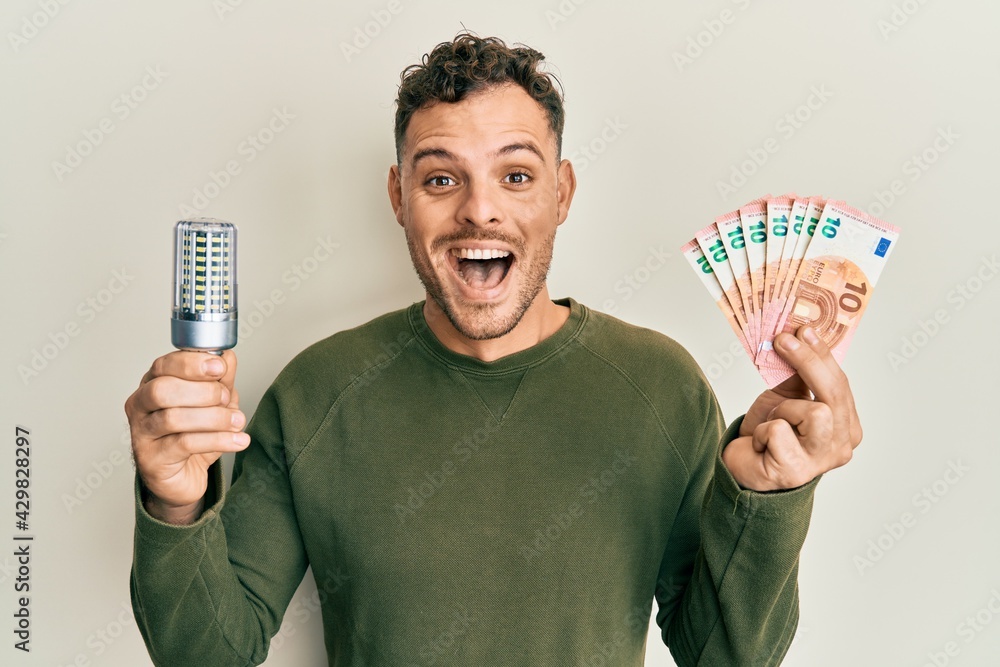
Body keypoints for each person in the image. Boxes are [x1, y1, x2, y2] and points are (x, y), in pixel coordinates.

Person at [126, 33, 862, 666]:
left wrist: (767, 501)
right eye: (441, 178)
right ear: (398, 197)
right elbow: (207, 653)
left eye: (516, 175)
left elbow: (723, 656)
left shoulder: (659, 385)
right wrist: (174, 501)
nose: (480, 208)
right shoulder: (317, 390)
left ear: (562, 193)